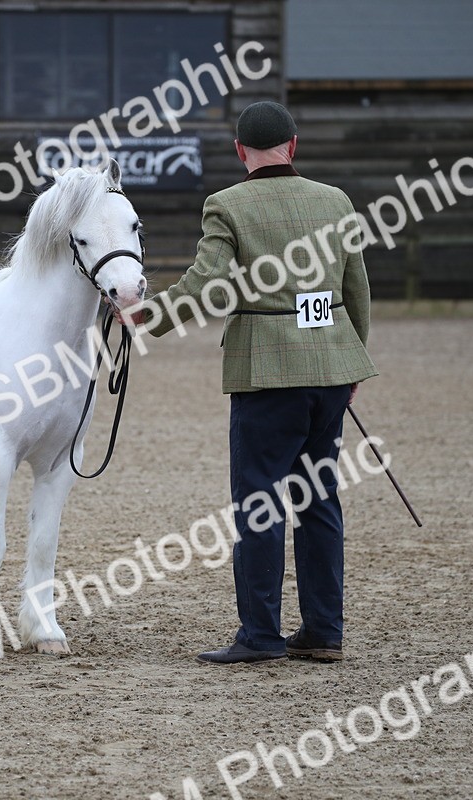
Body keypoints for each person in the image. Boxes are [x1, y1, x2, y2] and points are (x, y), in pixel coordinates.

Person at [140, 101, 378, 664]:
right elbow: (356, 290)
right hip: (330, 373)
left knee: (260, 504)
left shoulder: (227, 205)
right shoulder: (335, 201)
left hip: (267, 376)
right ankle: (324, 630)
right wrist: (352, 364)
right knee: (320, 501)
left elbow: (204, 286)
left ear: (240, 152)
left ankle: (261, 636)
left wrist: (148, 318)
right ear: (293, 146)